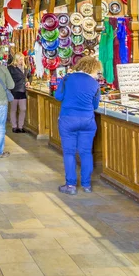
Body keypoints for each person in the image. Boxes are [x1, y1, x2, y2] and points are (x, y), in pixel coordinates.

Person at [54, 56, 102, 195]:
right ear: (92, 69)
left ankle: (71, 185)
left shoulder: (68, 78)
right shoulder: (95, 84)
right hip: (87, 121)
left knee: (69, 153)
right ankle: (86, 185)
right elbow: (95, 105)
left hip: (68, 119)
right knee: (86, 152)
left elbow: (58, 96)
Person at [8, 53, 33, 133]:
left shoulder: (25, 68)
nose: (22, 61)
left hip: (22, 91)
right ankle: (14, 126)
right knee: (13, 109)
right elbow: (8, 79)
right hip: (14, 91)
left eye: (22, 59)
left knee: (23, 109)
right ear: (16, 59)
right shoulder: (11, 68)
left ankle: (20, 126)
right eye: (20, 59)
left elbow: (30, 76)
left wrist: (29, 82)